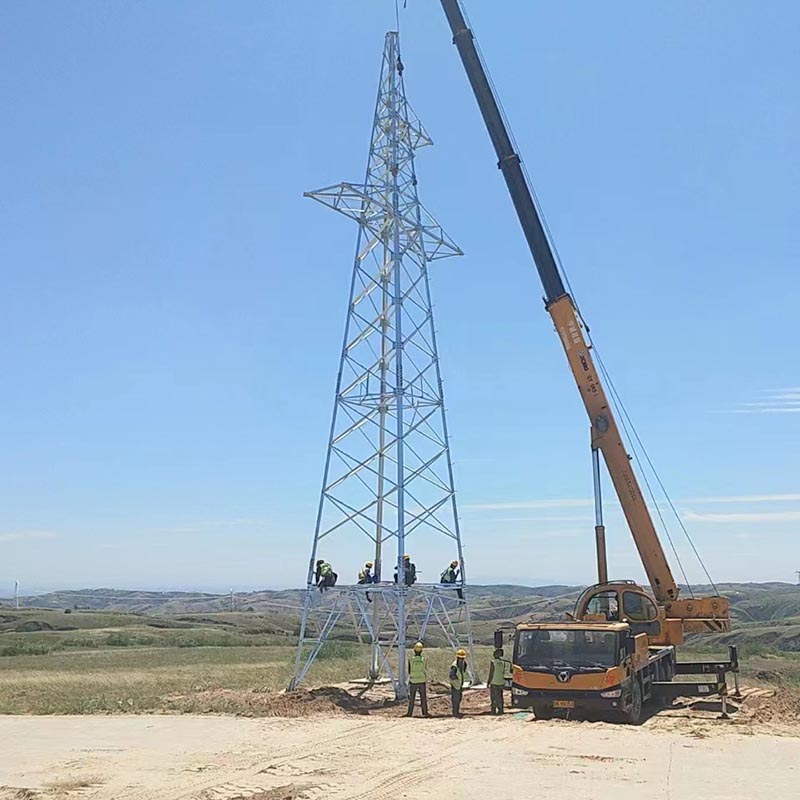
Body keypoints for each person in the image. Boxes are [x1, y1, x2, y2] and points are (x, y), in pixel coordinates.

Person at [405, 641, 430, 717]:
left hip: (413, 680)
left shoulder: (411, 660)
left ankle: (409, 713)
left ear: (414, 650)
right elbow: (425, 669)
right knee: (423, 698)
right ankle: (425, 712)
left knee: (412, 698)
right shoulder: (424, 660)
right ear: (421, 650)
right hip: (422, 680)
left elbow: (409, 670)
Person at [487, 647, 510, 715]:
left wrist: (489, 681)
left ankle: (493, 710)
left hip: (494, 681)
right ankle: (501, 709)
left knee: (493, 697)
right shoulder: (503, 662)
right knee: (500, 696)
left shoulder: (493, 662)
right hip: (501, 682)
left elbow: (491, 672)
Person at [449, 648, 468, 717]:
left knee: (459, 698)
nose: (462, 660)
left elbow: (463, 672)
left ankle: (457, 711)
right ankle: (455, 712)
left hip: (460, 684)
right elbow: (451, 675)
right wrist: (456, 679)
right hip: (455, 684)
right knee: (455, 699)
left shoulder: (464, 664)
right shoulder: (454, 666)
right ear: (457, 658)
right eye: (460, 658)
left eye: (463, 658)